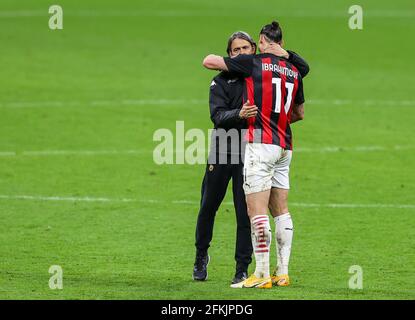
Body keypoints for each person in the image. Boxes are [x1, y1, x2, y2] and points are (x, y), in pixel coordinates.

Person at [195, 28, 309, 286]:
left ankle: (244, 269)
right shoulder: (223, 81)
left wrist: (260, 120)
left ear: (255, 50)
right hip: (226, 147)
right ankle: (201, 255)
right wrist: (241, 115)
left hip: (255, 148)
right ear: (231, 54)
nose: (242, 53)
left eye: (247, 48)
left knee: (246, 210)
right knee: (209, 205)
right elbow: (217, 116)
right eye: (236, 50)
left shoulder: (258, 70)